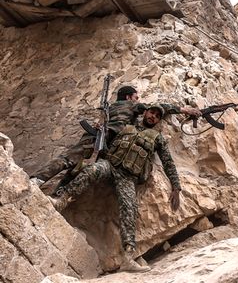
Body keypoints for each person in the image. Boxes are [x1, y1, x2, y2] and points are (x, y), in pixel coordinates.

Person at [51, 105, 181, 272]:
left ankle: (128, 257)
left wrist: (176, 187)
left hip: (128, 177)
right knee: (90, 170)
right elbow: (105, 141)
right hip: (109, 165)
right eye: (152, 112)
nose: (153, 117)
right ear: (145, 112)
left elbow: (168, 163)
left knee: (130, 208)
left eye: (157, 116)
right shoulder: (126, 126)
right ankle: (61, 200)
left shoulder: (158, 139)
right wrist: (100, 131)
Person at [32, 85, 200, 188]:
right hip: (103, 138)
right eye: (136, 97)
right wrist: (185, 110)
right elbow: (160, 107)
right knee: (73, 163)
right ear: (128, 97)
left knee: (74, 164)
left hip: (99, 139)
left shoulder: (111, 107)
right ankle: (39, 181)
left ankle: (45, 185)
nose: (138, 100)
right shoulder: (131, 106)